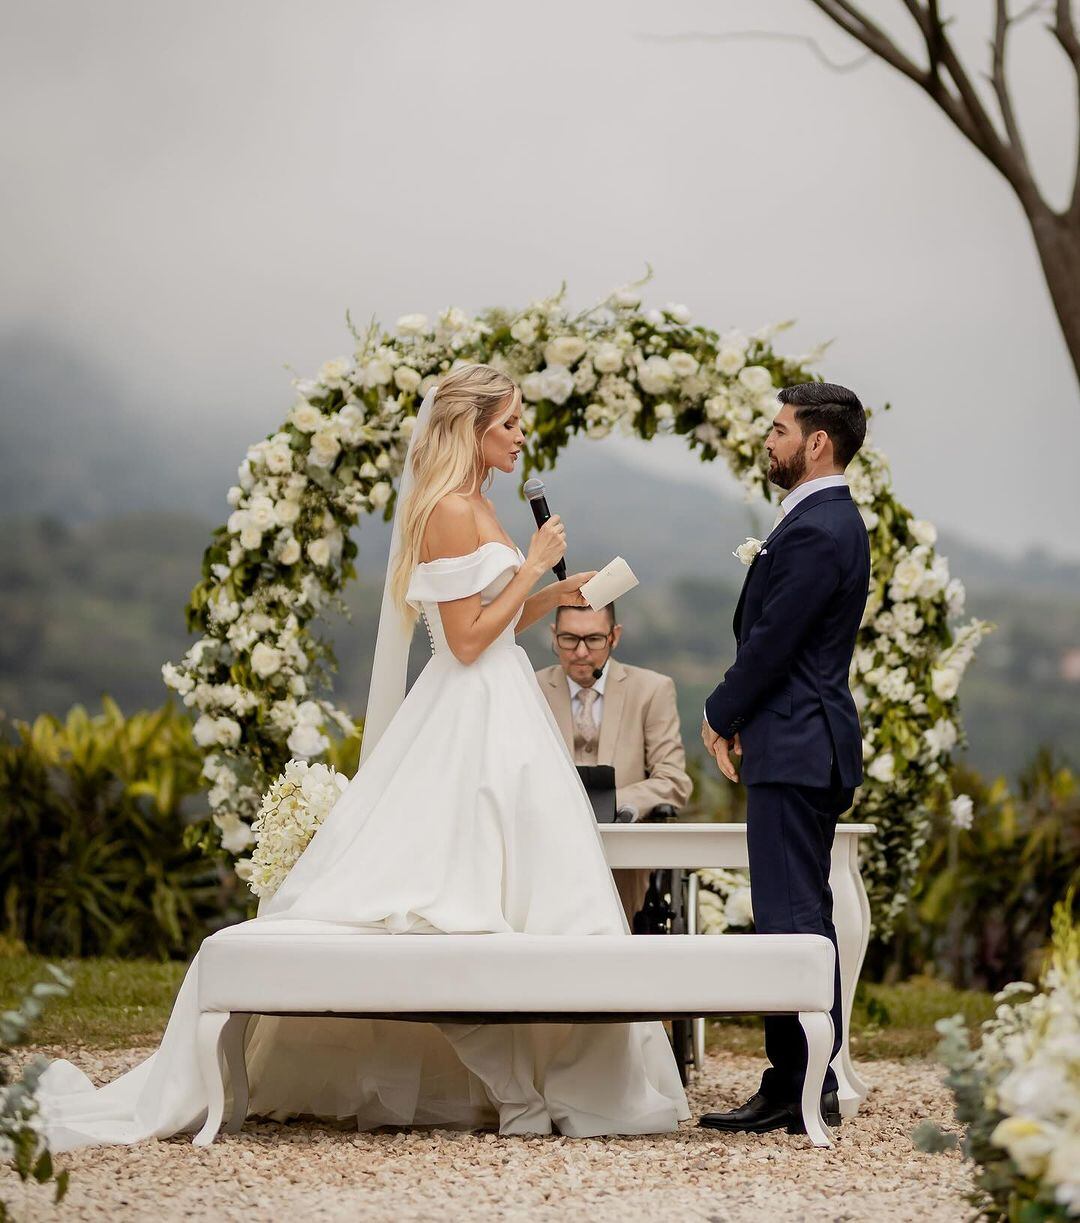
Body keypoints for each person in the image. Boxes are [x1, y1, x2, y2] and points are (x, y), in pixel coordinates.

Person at [38, 364, 689, 1149]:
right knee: (451, 912)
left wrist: (553, 593)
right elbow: (463, 642)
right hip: (466, 721)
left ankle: (561, 1082)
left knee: (536, 897)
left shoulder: (482, 502)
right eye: (511, 423)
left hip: (505, 710)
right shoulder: (446, 509)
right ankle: (515, 1089)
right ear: (471, 427)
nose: (522, 437)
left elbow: (495, 621)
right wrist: (531, 564)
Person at [698, 382, 870, 1136]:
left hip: (797, 742)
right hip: (799, 741)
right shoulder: (821, 519)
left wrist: (719, 711)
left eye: (778, 429)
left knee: (792, 919)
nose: (767, 441)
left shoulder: (819, 529)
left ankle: (802, 1085)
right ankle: (801, 1079)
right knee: (796, 913)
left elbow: (774, 641)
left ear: (817, 442)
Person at [536, 603, 692, 921]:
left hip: (623, 856)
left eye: (594, 639)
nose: (581, 652)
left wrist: (609, 804)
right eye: (569, 639)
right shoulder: (531, 689)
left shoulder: (652, 689)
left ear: (614, 636)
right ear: (554, 635)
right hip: (546, 847)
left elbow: (673, 780)